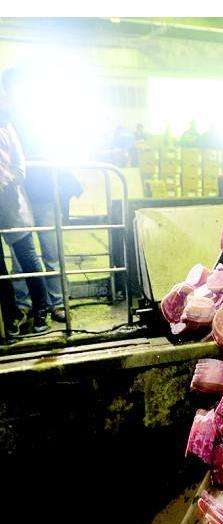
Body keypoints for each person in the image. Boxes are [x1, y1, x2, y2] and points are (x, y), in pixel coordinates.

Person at [2, 67, 80, 323]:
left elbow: (59, 147)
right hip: (16, 195)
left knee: (50, 251)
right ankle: (25, 304)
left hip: (45, 191)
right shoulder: (7, 116)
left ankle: (57, 303)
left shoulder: (43, 113)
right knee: (20, 255)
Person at [0, 109, 51, 335]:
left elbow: (20, 169)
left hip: (11, 204)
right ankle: (9, 314)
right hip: (10, 203)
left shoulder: (6, 127)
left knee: (28, 258)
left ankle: (41, 309)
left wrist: (4, 181)